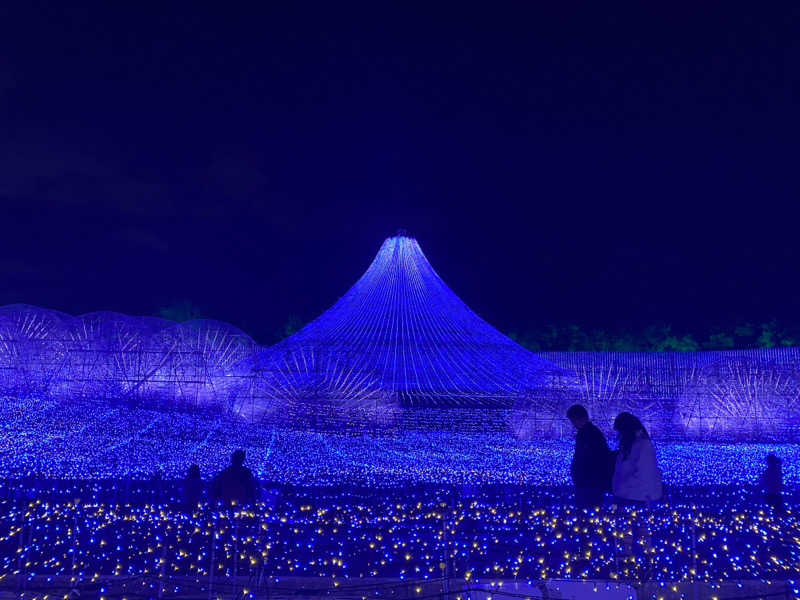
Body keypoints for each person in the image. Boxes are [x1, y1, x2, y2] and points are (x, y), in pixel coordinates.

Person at [611, 412, 662, 559]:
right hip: (629, 493)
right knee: (632, 528)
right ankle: (631, 556)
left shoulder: (641, 445)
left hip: (635, 494)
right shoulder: (633, 444)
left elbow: (644, 471)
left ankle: (642, 557)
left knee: (638, 528)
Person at [567, 404, 613, 508]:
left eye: (573, 420)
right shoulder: (591, 431)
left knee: (588, 508)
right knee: (592, 508)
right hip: (591, 480)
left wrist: (578, 473)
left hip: (589, 481)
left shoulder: (587, 433)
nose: (573, 424)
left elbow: (586, 457)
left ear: (580, 418)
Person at [611, 412, 662, 504]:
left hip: (636, 495)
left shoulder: (643, 445)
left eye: (620, 431)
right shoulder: (630, 444)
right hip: (628, 493)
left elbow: (645, 473)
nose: (619, 435)